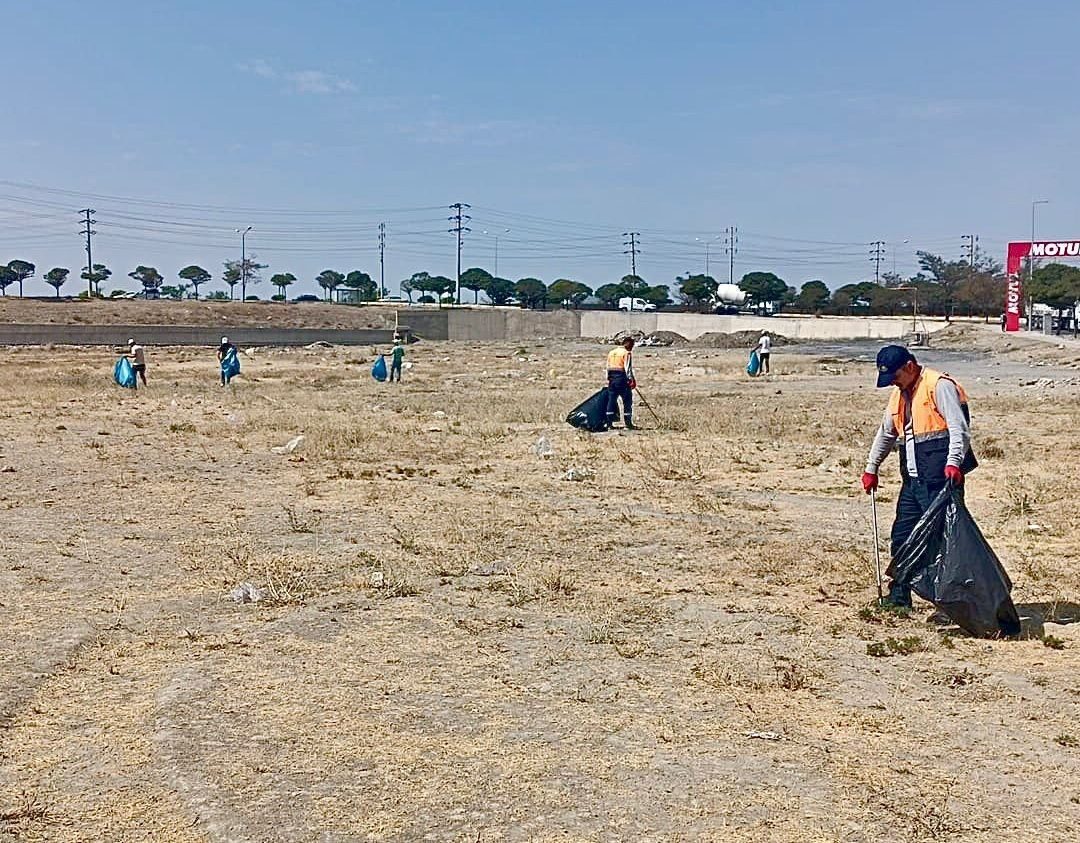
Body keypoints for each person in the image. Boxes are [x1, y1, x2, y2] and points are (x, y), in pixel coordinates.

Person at [861, 345, 977, 608]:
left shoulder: (939, 385)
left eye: (895, 377)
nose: (894, 383)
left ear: (909, 366)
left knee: (945, 543)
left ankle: (955, 605)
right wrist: (871, 467)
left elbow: (959, 429)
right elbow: (886, 432)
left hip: (941, 481)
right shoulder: (899, 394)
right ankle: (899, 596)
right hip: (913, 482)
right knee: (902, 537)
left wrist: (954, 463)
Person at [605, 336, 636, 430]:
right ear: (628, 344)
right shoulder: (626, 353)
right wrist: (631, 380)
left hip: (612, 380)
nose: (632, 348)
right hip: (622, 379)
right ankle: (628, 424)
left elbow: (607, 367)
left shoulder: (611, 352)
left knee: (611, 401)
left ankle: (609, 424)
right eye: (632, 345)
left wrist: (609, 378)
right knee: (627, 401)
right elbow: (628, 368)